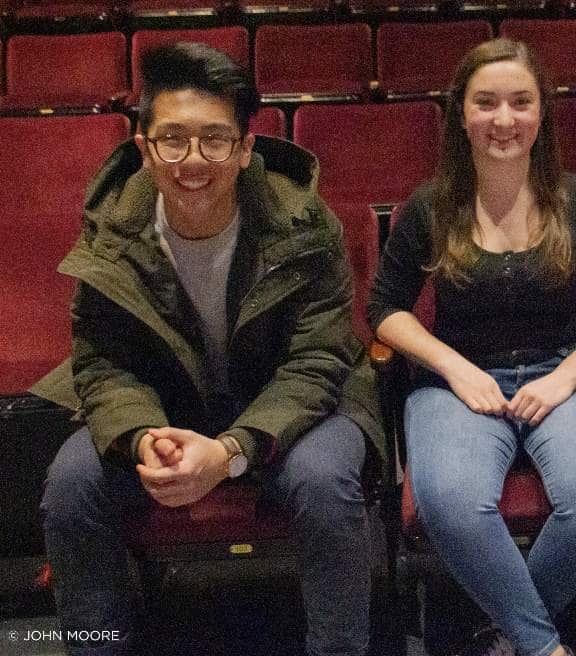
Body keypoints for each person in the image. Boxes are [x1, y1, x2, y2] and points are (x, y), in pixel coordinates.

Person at [33, 43, 383, 656]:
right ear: (144, 150)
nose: (193, 160)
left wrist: (230, 452)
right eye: (173, 140)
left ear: (246, 150)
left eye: (215, 141)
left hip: (293, 410)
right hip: (168, 412)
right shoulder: (111, 230)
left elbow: (316, 362)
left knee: (326, 481)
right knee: (70, 488)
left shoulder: (306, 223)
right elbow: (102, 360)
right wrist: (144, 437)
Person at [368, 38, 576, 656]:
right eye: (485, 103)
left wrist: (566, 378)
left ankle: (503, 630)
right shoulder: (431, 205)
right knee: (452, 503)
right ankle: (545, 648)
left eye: (521, 102)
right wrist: (452, 366)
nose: (504, 119)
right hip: (458, 380)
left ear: (542, 113)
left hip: (563, 372)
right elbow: (384, 310)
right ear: (460, 113)